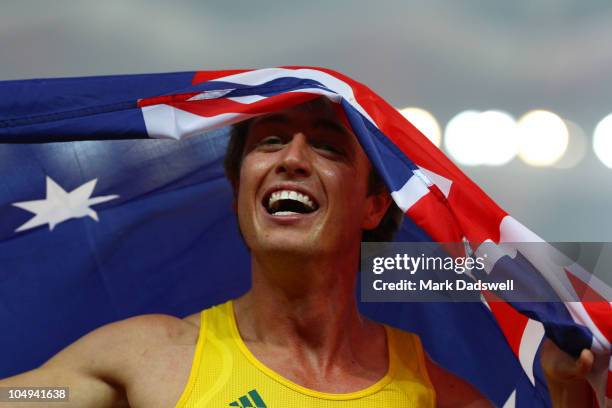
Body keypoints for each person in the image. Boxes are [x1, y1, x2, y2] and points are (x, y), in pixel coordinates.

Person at [0, 97, 594, 407]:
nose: (292, 158)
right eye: (272, 141)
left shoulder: (436, 396)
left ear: (372, 206)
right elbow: (30, 395)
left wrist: (569, 392)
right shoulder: (148, 355)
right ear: (238, 192)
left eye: (329, 147)